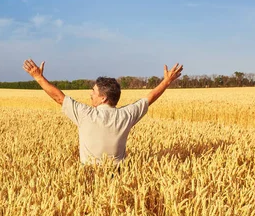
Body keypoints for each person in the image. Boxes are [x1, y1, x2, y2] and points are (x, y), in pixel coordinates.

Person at [22, 59, 183, 165]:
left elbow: (59, 97)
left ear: (103, 98)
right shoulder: (126, 115)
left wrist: (38, 77)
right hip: (119, 177)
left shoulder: (85, 114)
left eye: (94, 91)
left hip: (88, 176)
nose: (90, 94)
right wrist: (167, 81)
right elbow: (150, 97)